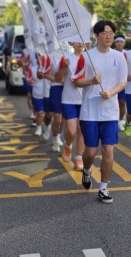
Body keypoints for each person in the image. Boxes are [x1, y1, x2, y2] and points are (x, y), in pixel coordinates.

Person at [73, 20, 127, 203]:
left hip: (110, 112)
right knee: (90, 151)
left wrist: (111, 92)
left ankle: (104, 187)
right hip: (89, 111)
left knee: (108, 150)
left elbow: (123, 81)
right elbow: (75, 81)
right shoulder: (86, 57)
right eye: (105, 32)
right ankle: (87, 171)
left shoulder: (119, 57)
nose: (109, 35)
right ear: (96, 35)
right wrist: (91, 82)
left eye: (112, 32)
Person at [56, 41, 85, 170]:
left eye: (82, 40)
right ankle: (68, 145)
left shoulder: (89, 58)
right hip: (69, 99)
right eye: (77, 41)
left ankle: (79, 158)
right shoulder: (66, 58)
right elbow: (57, 78)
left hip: (84, 100)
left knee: (81, 130)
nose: (80, 44)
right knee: (72, 131)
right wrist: (64, 67)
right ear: (72, 44)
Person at [113, 33, 127, 132]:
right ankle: (113, 120)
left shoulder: (127, 54)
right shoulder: (111, 53)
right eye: (117, 42)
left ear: (124, 44)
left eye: (121, 42)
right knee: (113, 102)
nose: (119, 44)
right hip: (112, 82)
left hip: (122, 82)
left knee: (122, 102)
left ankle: (121, 120)